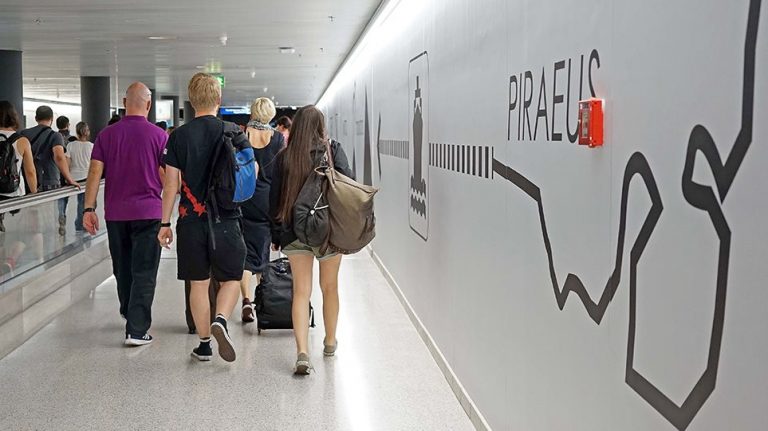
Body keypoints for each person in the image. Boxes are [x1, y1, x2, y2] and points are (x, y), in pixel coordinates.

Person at [158, 73, 247, 362]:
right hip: (227, 218)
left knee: (198, 283)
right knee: (231, 278)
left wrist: (164, 223)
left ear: (191, 100)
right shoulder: (233, 131)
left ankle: (205, 344)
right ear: (218, 99)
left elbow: (171, 185)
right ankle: (221, 319)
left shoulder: (178, 136)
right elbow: (252, 173)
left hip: (191, 221)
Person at [269, 105, 353, 375]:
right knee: (330, 287)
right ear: (320, 126)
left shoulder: (285, 158)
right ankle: (329, 342)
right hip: (328, 232)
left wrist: (276, 235)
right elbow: (347, 186)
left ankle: (302, 352)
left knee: (301, 292)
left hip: (295, 232)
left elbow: (275, 199)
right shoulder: (333, 151)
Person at [82, 83, 167, 347]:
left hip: (116, 214)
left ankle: (129, 311)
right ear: (149, 105)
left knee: (123, 267)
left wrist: (88, 208)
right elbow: (167, 177)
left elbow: (94, 172)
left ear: (123, 102)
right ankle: (137, 329)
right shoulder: (159, 136)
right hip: (149, 213)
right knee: (145, 270)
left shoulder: (106, 135)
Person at [238, 97, 284, 323]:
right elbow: (281, 174)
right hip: (267, 200)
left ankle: (246, 301)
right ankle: (262, 299)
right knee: (263, 250)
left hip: (244, 198)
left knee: (245, 252)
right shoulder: (277, 139)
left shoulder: (242, 136)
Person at [21, 106, 79, 235]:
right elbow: (59, 157)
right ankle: (48, 239)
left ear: (36, 118)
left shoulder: (23, 134)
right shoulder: (55, 135)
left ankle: (35, 237)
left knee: (32, 217)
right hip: (50, 180)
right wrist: (69, 178)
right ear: (51, 119)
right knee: (49, 220)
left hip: (29, 182)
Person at [0, 101, 38, 232]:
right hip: (14, 193)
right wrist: (34, 193)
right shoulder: (22, 141)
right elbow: (30, 171)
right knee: (17, 235)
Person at [66, 122, 94, 232]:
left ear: (77, 132)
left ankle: (76, 222)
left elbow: (67, 163)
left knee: (79, 202)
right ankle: (81, 224)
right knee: (85, 203)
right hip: (87, 177)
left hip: (74, 178)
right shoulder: (91, 146)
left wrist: (67, 177)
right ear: (87, 132)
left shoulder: (71, 145)